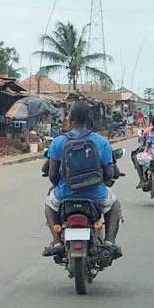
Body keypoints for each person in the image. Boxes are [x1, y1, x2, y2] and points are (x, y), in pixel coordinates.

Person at [41, 101, 123, 259]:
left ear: (70, 119)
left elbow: (52, 175)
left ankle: (57, 241)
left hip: (65, 196)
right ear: (90, 119)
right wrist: (103, 184)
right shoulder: (101, 142)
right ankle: (109, 242)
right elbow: (109, 173)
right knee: (114, 205)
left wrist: (62, 187)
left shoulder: (58, 142)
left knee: (49, 205)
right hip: (96, 196)